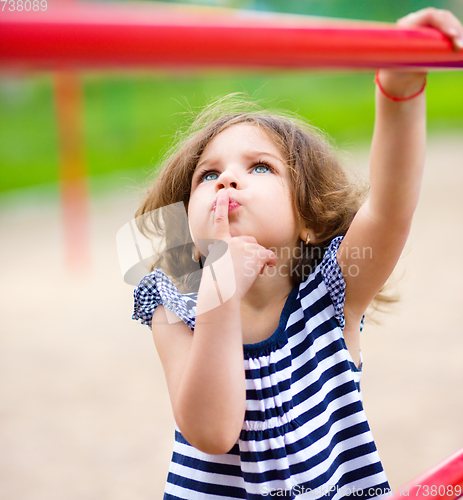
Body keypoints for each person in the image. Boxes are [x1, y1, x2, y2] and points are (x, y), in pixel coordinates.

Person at [132, 8, 463, 500]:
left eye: (260, 168)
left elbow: (391, 207)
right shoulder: (175, 305)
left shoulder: (333, 293)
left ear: (309, 220)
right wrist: (220, 291)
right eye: (207, 175)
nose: (226, 180)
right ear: (186, 221)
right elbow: (213, 430)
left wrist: (398, 91)